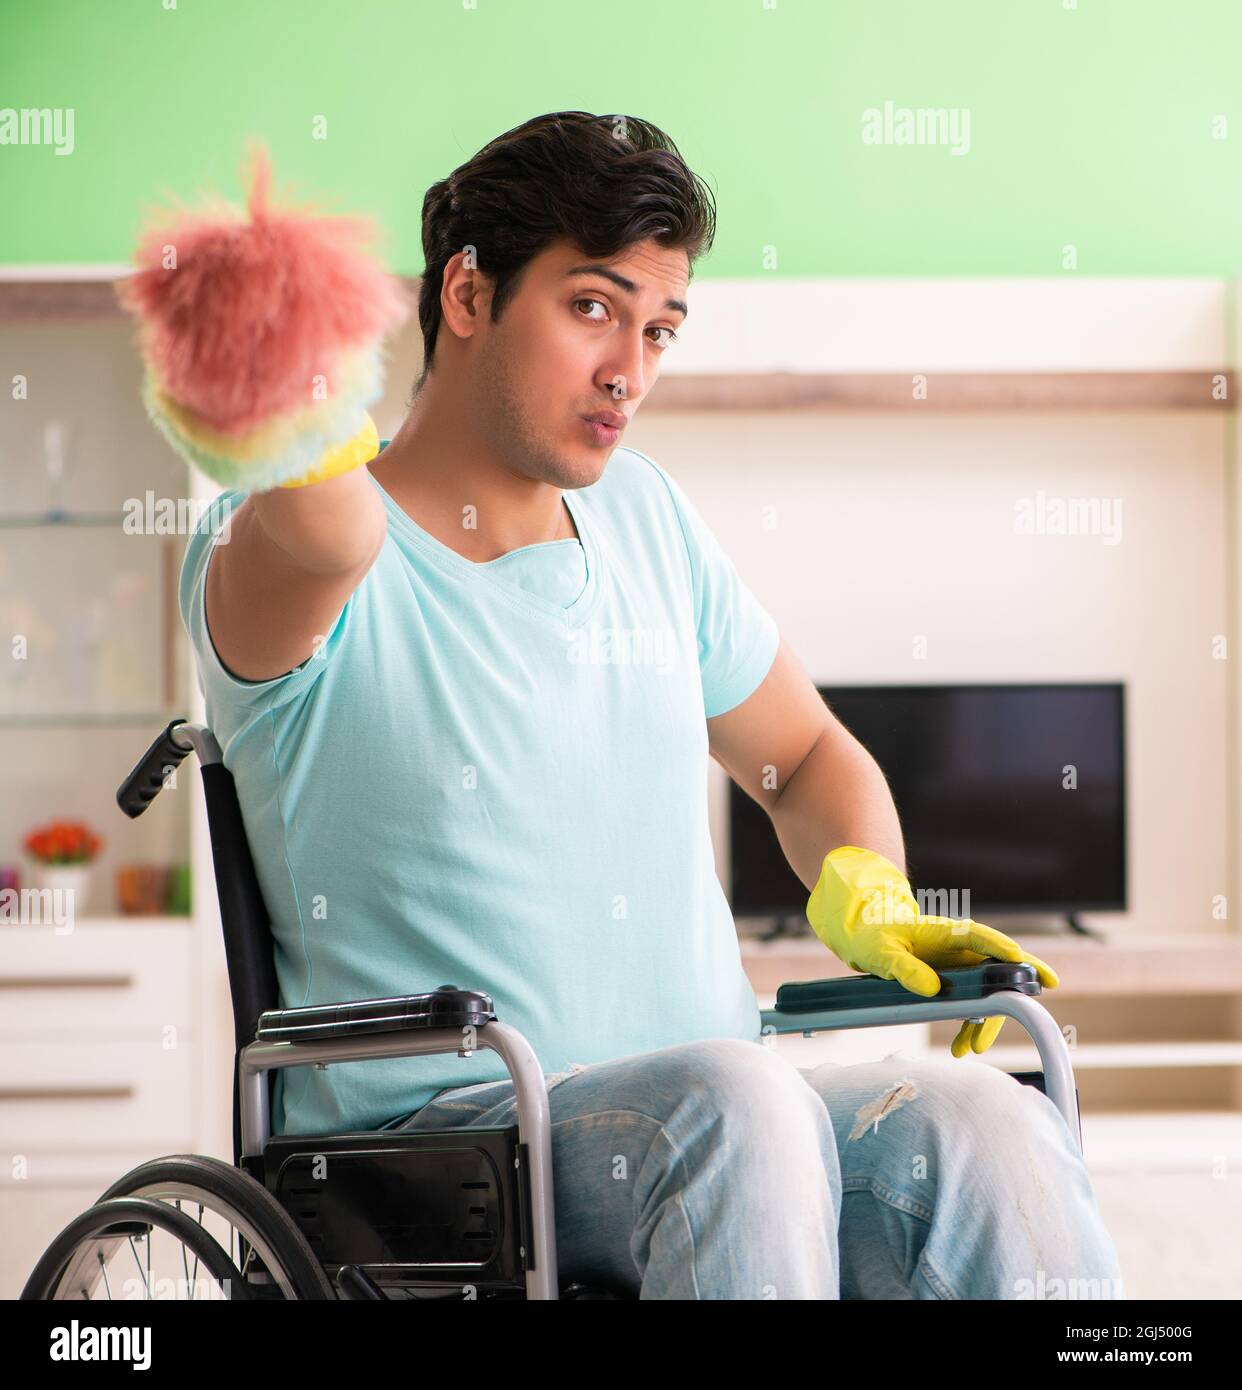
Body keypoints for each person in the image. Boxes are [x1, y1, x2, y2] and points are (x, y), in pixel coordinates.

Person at [179, 110, 1124, 1299]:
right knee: (736, 1109)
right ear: (466, 297)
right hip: (447, 1140)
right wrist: (277, 381)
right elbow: (327, 531)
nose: (630, 368)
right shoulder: (295, 546)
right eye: (592, 307)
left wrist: (868, 885)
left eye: (660, 328)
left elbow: (807, 754)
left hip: (729, 1112)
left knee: (977, 1117)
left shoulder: (647, 519)